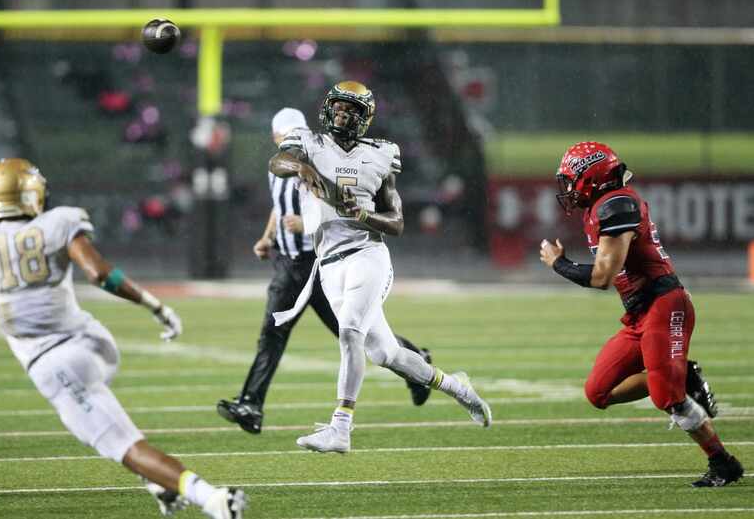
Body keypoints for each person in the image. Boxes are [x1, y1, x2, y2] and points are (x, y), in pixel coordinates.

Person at [0, 158, 247, 518]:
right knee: (109, 422)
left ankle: (211, 498)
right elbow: (98, 272)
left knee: (123, 443)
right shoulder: (58, 221)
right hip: (93, 342)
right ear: (31, 193)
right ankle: (156, 481)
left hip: (54, 362)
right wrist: (154, 305)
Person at [268, 81, 492, 453]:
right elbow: (278, 162)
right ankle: (457, 386)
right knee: (386, 355)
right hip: (328, 265)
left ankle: (341, 427)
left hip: (366, 255)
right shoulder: (310, 144)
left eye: (350, 110)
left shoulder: (381, 154)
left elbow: (397, 222)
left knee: (350, 333)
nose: (341, 114)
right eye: (338, 107)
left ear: (364, 118)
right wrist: (304, 169)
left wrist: (364, 214)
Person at [539, 141, 744, 488]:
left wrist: (559, 264)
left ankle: (723, 463)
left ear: (592, 177)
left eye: (573, 180)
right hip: (638, 314)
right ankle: (685, 375)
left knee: (668, 399)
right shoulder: (601, 206)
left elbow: (603, 277)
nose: (569, 189)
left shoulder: (617, 204)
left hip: (664, 305)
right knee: (598, 392)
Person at [217, 108, 433, 434]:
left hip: (317, 261)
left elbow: (329, 203)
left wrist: (306, 224)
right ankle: (251, 404)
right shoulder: (288, 159)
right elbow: (281, 205)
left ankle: (416, 362)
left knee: (352, 335)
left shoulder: (317, 155)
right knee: (298, 334)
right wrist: (267, 236)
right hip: (290, 264)